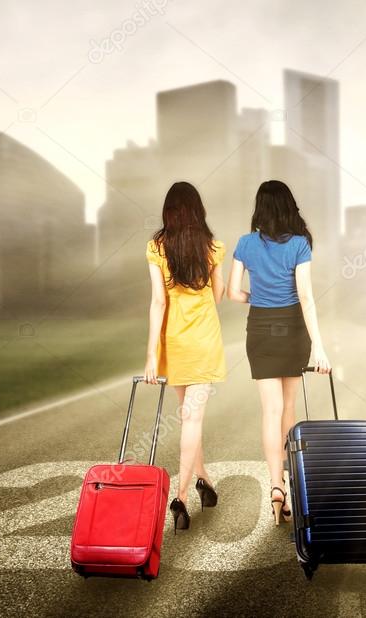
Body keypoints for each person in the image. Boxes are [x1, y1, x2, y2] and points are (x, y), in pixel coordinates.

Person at [227, 180, 332, 525]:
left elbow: (232, 293)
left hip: (259, 330)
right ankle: (292, 483)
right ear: (288, 206)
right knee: (288, 406)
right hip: (292, 330)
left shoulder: (245, 244)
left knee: (269, 411)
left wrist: (255, 298)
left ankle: (275, 486)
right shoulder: (300, 244)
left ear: (260, 207)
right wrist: (318, 344)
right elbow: (305, 296)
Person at [144, 182, 225, 533]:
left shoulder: (156, 247)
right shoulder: (213, 247)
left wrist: (151, 356)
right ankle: (180, 497)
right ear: (197, 211)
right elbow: (219, 295)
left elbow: (158, 302)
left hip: (174, 341)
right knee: (192, 421)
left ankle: (203, 482)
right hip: (205, 341)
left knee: (190, 418)